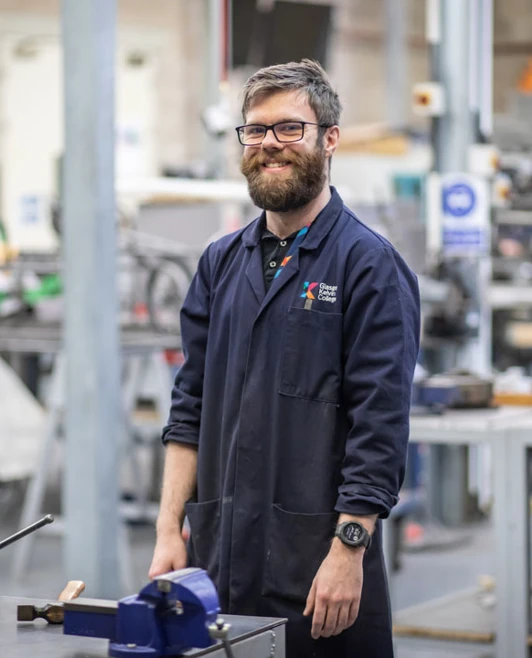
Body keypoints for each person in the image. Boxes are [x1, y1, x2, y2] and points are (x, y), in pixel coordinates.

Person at [149, 59, 420, 658]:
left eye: (290, 128)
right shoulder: (220, 263)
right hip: (223, 561)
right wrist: (171, 530)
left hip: (319, 571)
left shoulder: (368, 265)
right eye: (256, 129)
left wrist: (349, 550)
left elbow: (380, 427)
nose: (270, 144)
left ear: (330, 138)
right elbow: (188, 407)